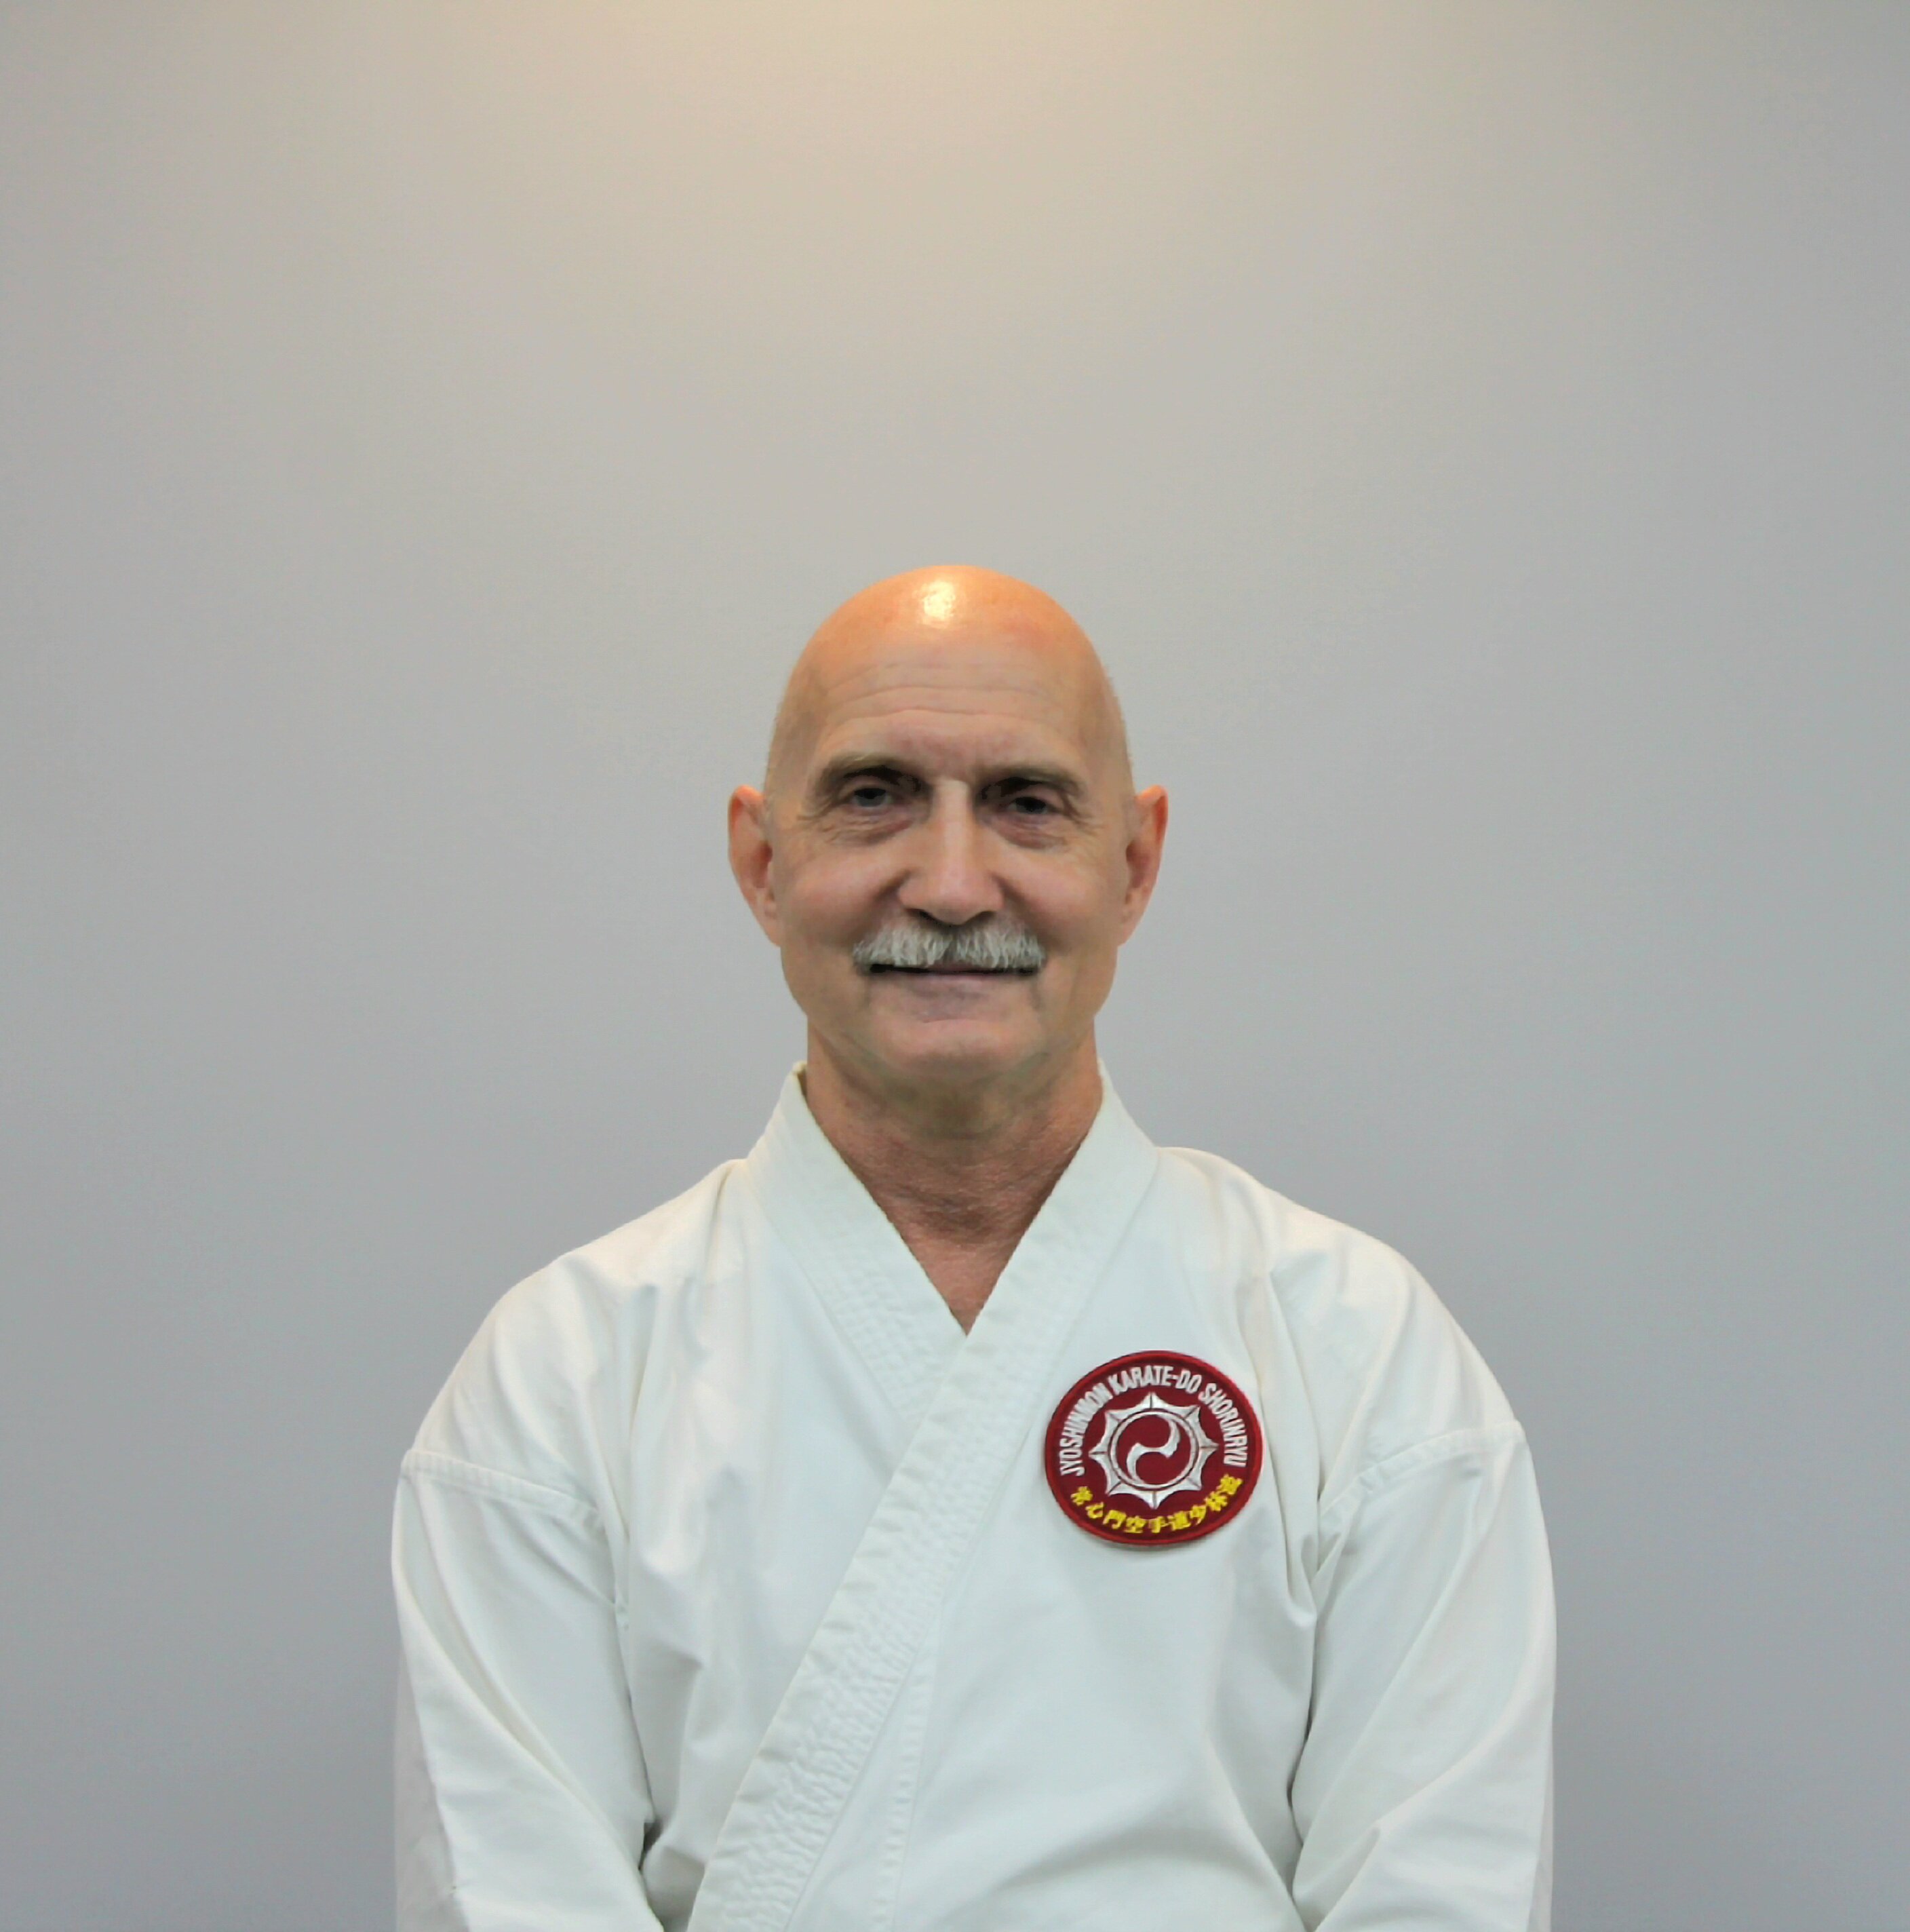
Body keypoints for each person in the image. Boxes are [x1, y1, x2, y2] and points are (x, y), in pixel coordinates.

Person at [391, 566, 1555, 1931]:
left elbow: (1446, 1889)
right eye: (874, 795)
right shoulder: (563, 1375)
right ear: (764, 863)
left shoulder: (1356, 1347)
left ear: (1134, 864)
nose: (950, 885)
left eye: (1027, 802)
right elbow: (511, 1894)